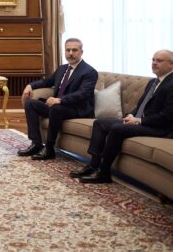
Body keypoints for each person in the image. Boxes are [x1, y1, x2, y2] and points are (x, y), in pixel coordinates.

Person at [71, 49, 173, 183]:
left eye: (159, 60)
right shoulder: (153, 82)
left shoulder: (171, 84)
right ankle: (93, 165)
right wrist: (131, 115)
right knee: (100, 123)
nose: (154, 63)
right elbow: (142, 105)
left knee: (117, 129)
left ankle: (104, 172)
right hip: (142, 121)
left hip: (159, 128)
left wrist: (138, 120)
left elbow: (167, 116)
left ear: (171, 64)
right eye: (153, 60)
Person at [18, 38, 98, 160]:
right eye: (68, 50)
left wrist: (60, 100)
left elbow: (83, 94)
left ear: (81, 52)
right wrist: (30, 86)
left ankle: (49, 148)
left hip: (77, 109)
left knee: (55, 108)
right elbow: (46, 82)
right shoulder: (62, 69)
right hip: (59, 107)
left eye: (74, 50)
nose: (70, 53)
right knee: (30, 104)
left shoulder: (89, 71)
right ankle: (36, 143)